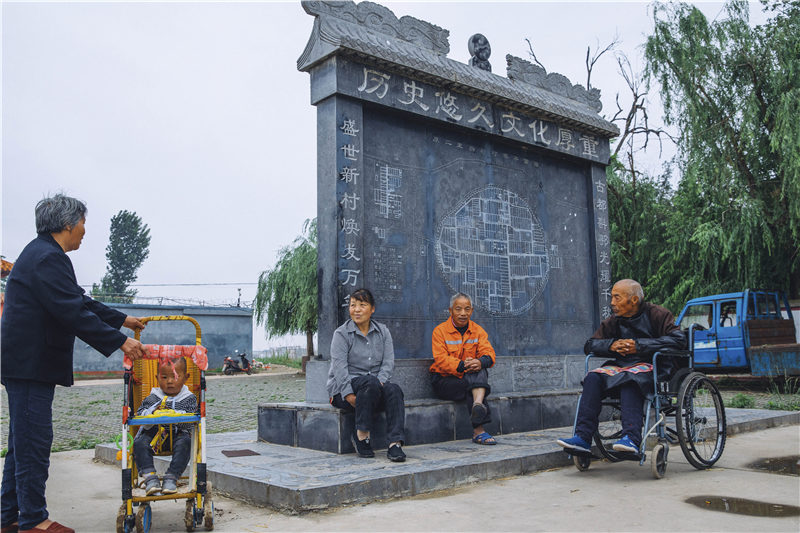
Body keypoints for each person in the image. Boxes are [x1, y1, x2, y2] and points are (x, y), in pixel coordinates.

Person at [1, 194, 148, 533]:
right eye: (82, 222)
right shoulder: (47, 258)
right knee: (33, 443)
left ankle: (8, 516)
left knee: (23, 443)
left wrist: (122, 320)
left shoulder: (43, 254)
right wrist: (121, 341)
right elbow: (72, 311)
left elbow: (78, 301)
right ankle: (33, 520)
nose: (84, 230)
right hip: (30, 365)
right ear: (67, 224)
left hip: (26, 364)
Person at [557, 279, 686, 455]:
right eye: (612, 297)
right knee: (593, 378)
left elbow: (679, 339)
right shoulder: (614, 320)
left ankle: (631, 438)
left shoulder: (657, 314)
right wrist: (611, 345)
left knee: (630, 380)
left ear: (634, 300)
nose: (612, 303)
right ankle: (582, 437)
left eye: (617, 298)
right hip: (622, 366)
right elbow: (590, 344)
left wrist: (639, 346)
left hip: (654, 366)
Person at [326, 288, 406, 462]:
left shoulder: (383, 332)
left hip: (374, 389)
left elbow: (388, 363)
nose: (356, 309)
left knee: (394, 390)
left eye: (362, 305)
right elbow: (340, 370)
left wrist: (380, 384)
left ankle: (395, 444)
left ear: (372, 309)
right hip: (343, 391)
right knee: (369, 382)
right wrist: (348, 395)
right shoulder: (341, 334)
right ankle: (362, 436)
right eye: (353, 305)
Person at [430, 293, 497, 445]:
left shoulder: (478, 331)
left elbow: (489, 354)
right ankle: (478, 430)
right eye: (458, 309)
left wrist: (479, 361)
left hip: (468, 377)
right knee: (472, 385)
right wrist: (463, 365)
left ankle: (477, 404)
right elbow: (441, 359)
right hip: (444, 381)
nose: (463, 313)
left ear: (471, 311)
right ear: (450, 310)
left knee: (481, 368)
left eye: (467, 309)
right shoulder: (440, 331)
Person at [133, 357, 198, 495]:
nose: (169, 381)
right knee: (139, 443)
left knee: (187, 442)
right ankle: (149, 477)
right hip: (154, 435)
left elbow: (190, 420)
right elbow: (140, 413)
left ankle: (172, 476)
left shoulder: (189, 398)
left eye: (175, 376)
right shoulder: (153, 397)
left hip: (178, 434)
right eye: (164, 377)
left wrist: (174, 415)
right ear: (157, 378)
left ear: (186, 377)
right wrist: (152, 412)